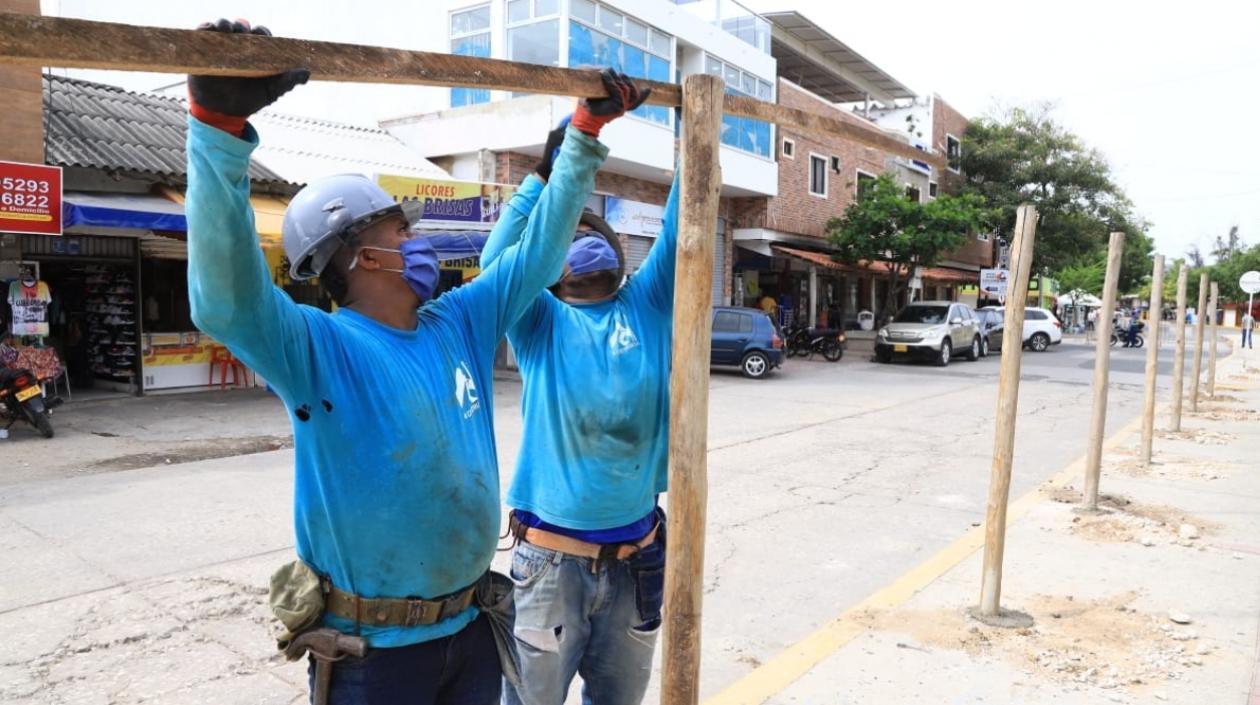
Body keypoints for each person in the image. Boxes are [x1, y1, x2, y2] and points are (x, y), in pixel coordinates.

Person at [183, 20, 637, 705]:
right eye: (402, 231)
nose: (417, 241)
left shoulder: (456, 319)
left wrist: (581, 141)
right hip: (373, 658)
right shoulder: (316, 348)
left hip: (472, 626)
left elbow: (538, 255)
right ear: (362, 255)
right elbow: (225, 299)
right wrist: (216, 130)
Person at [481, 122, 677, 705]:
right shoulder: (541, 321)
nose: (588, 250)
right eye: (573, 242)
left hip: (637, 560)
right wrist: (541, 179)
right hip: (551, 564)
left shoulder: (646, 303)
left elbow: (680, 224)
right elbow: (498, 264)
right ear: (557, 264)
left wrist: (694, 138)